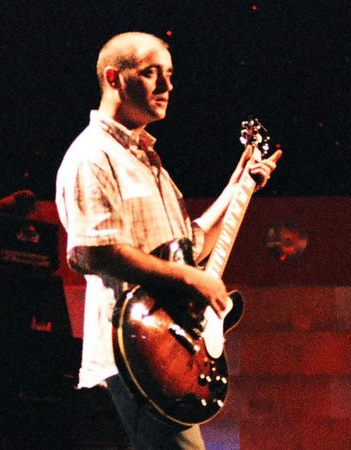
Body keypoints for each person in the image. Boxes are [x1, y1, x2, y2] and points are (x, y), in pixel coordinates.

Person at [55, 32, 281, 449]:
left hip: (163, 357)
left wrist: (239, 186)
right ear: (114, 78)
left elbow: (190, 245)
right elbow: (91, 251)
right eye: (151, 73)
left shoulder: (147, 160)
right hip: (134, 362)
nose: (167, 86)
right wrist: (189, 280)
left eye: (170, 74)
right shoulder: (93, 155)